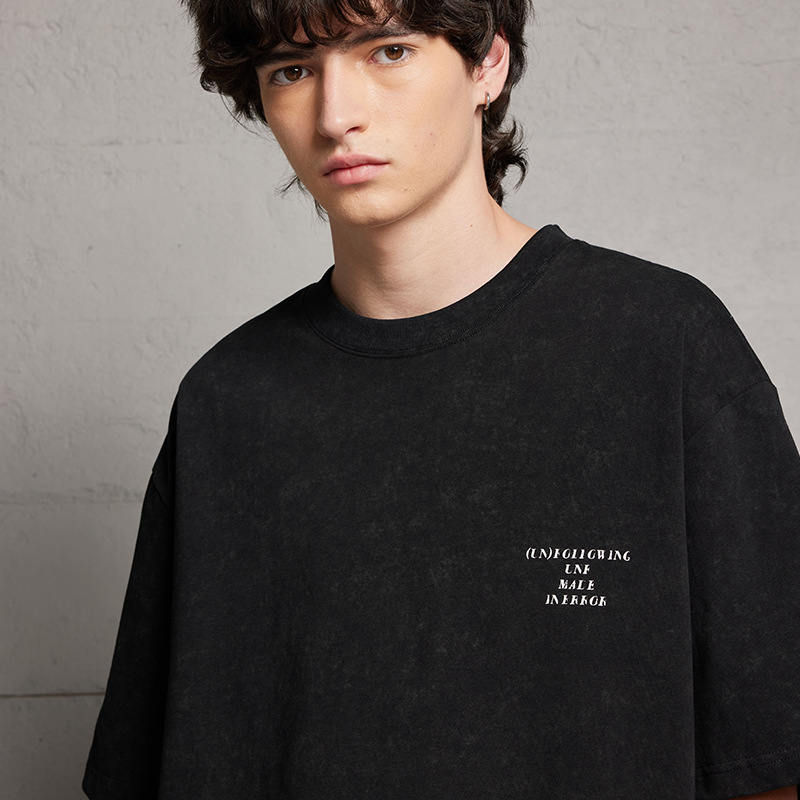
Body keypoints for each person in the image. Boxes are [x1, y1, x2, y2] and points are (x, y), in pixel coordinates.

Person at [82, 0, 800, 797]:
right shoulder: (226, 405)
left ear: (487, 63)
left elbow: (773, 761)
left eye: (387, 52)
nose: (335, 116)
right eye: (291, 70)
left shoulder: (666, 346)